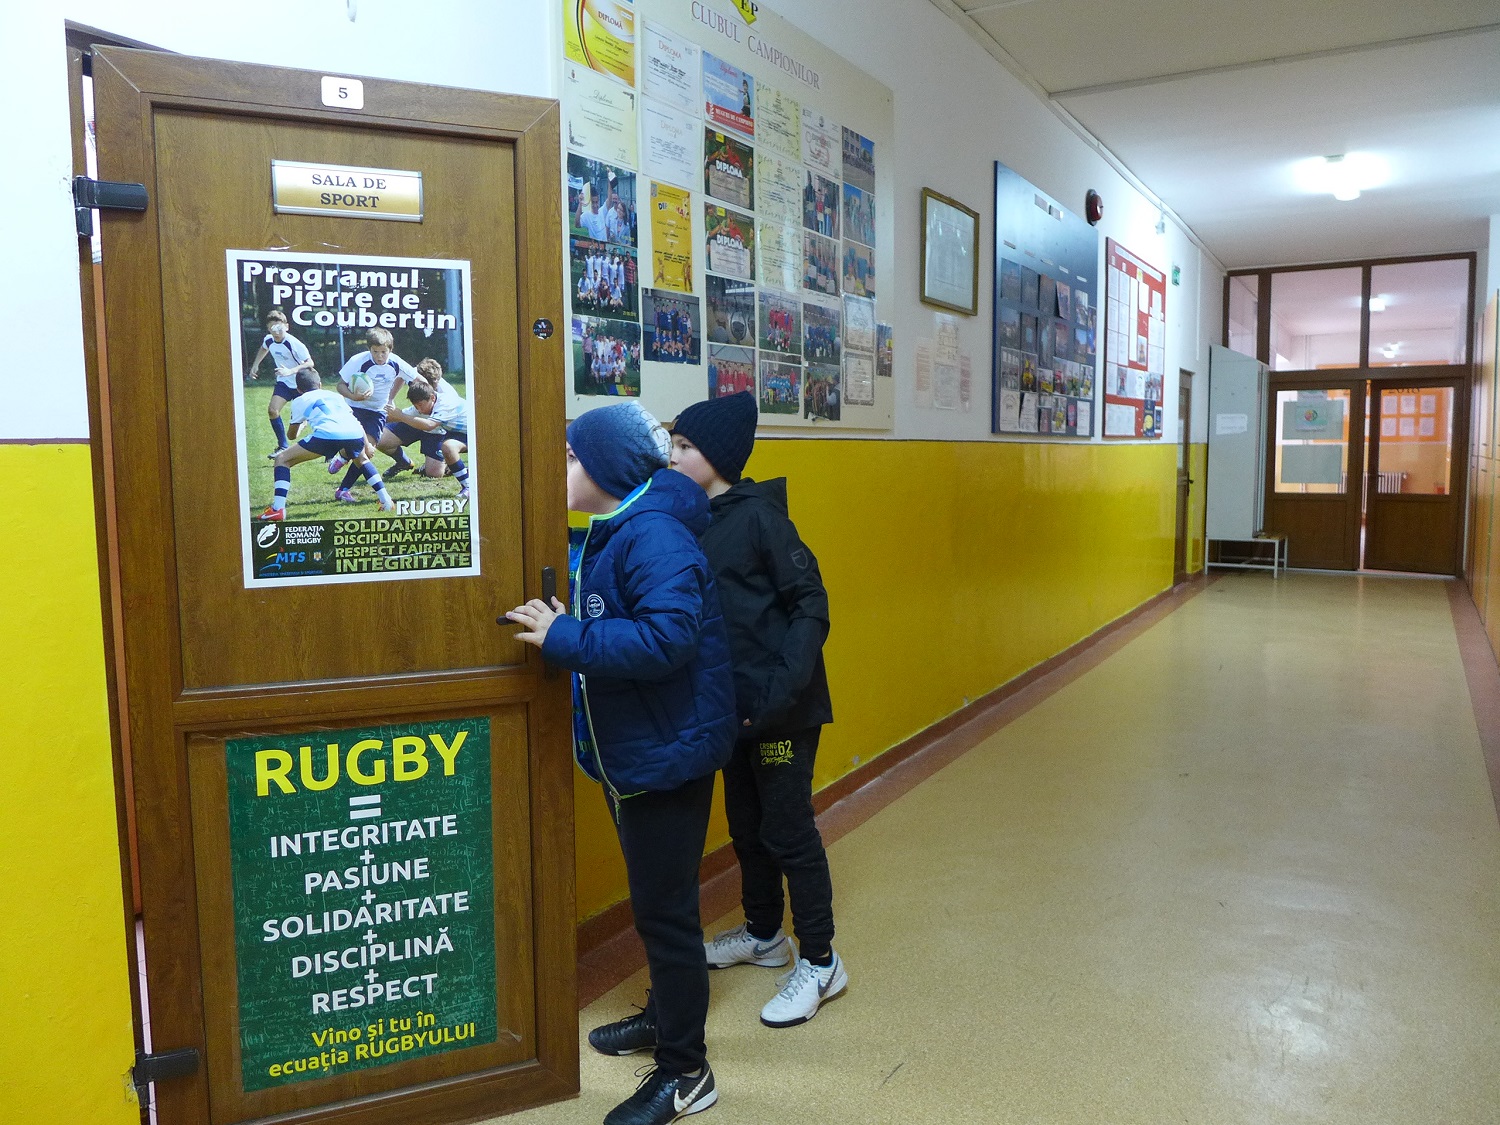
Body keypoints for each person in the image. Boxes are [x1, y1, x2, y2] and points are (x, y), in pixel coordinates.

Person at [505, 402, 735, 1125]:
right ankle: (664, 1019)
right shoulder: (614, 528)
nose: (562, 468)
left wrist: (565, 635)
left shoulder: (654, 535)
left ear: (606, 469)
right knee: (654, 905)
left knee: (666, 917)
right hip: (638, 756)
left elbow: (668, 640)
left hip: (665, 759)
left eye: (572, 457)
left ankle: (686, 1071)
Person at [666, 391, 845, 1029]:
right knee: (745, 826)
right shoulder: (689, 519)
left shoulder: (763, 518)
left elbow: (811, 603)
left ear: (717, 457)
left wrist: (777, 692)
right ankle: (766, 935)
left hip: (780, 716)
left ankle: (821, 961)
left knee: (787, 830)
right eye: (673, 443)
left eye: (685, 447)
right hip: (730, 711)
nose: (673, 455)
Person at [260, 369, 394, 520]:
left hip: (327, 435)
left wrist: (302, 425)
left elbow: (291, 436)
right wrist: (367, 445)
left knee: (282, 459)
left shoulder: (299, 400)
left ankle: (278, 509)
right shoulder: (335, 396)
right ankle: (386, 500)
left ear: (298, 389)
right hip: (354, 433)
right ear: (320, 384)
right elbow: (354, 420)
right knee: (362, 459)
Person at [331, 328, 416, 501]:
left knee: (367, 451)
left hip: (377, 412)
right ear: (369, 349)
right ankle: (343, 456)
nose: (379, 356)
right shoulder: (358, 361)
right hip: (354, 408)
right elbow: (340, 385)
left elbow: (414, 379)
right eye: (375, 352)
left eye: (383, 352)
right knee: (357, 448)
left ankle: (343, 486)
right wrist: (353, 396)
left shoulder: (396, 363)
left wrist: (391, 399)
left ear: (390, 350)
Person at [245, 309, 315, 455]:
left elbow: (310, 363)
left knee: (314, 419)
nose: (276, 331)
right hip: (284, 382)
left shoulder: (294, 343)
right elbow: (264, 348)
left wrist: (291, 371)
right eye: (272, 328)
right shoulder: (269, 339)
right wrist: (256, 365)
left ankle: (328, 451)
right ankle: (282, 446)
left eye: (279, 327)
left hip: (302, 384)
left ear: (286, 327)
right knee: (272, 411)